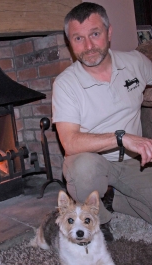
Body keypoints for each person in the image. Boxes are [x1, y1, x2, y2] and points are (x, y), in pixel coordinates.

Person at [52, 2, 152, 242]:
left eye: (95, 34)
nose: (88, 46)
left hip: (134, 163)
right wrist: (121, 137)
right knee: (84, 167)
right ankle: (99, 218)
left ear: (109, 33)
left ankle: (114, 200)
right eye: (78, 38)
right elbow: (69, 142)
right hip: (92, 161)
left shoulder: (135, 62)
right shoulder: (65, 84)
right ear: (69, 42)